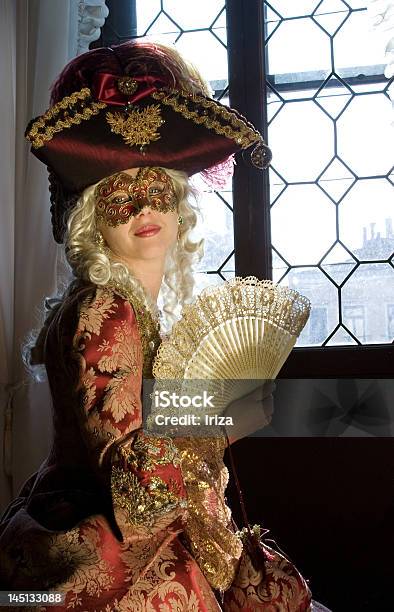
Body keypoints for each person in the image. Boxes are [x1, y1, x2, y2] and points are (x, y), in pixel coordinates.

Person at [0, 40, 314, 610]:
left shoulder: (129, 308)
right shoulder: (105, 310)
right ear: (93, 219)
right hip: (107, 544)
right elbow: (132, 481)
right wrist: (224, 414)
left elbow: (151, 420)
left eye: (156, 191)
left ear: (179, 207)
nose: (144, 209)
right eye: (121, 196)